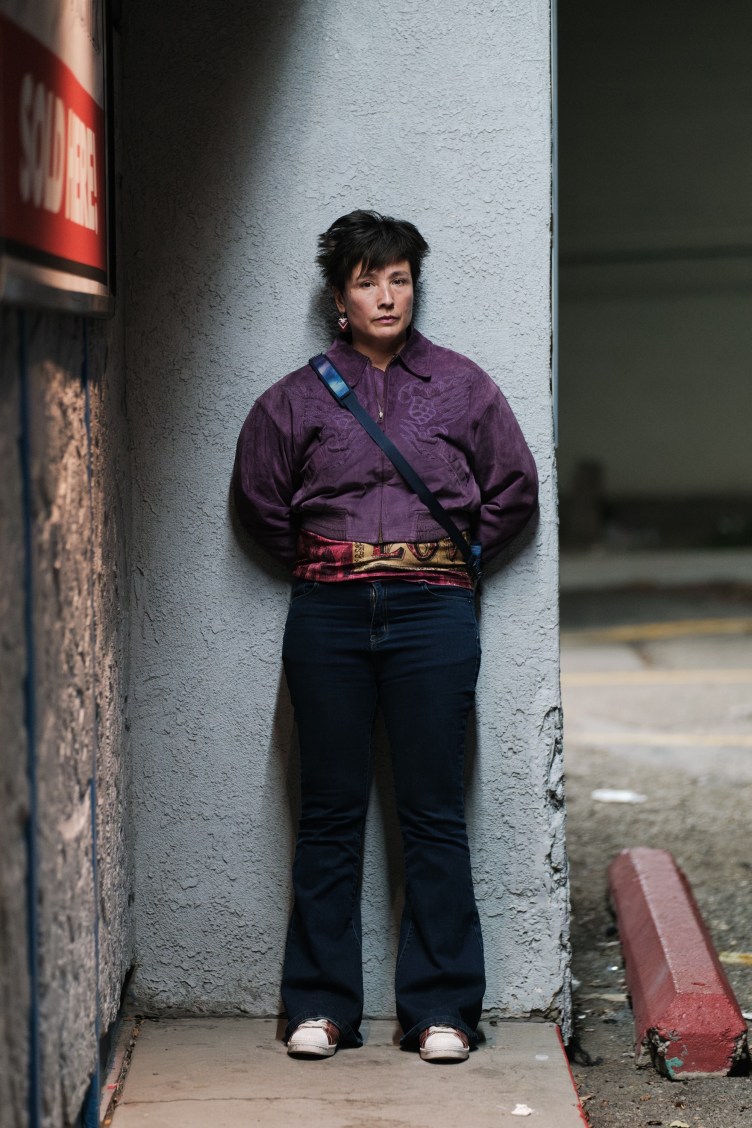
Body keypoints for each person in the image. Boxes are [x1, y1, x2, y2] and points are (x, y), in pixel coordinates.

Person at [233, 210, 538, 1063]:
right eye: (369, 280)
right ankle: (322, 1008)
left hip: (433, 613)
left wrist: (450, 560)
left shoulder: (462, 387)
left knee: (433, 813)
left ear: (414, 286)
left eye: (400, 278)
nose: (387, 294)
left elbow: (514, 487)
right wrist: (328, 563)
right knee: (328, 813)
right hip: (327, 615)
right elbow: (258, 500)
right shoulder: (293, 399)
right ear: (340, 296)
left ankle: (442, 1009)